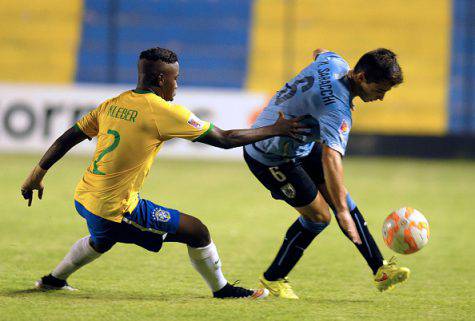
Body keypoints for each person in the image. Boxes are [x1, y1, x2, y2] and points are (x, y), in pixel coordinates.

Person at [20, 47, 309, 299]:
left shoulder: (114, 103)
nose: (177, 85)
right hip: (115, 208)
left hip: (84, 197)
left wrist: (37, 173)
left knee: (101, 239)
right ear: (161, 79)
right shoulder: (163, 112)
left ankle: (52, 281)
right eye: (176, 78)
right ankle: (222, 289)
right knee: (197, 231)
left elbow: (67, 138)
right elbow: (225, 139)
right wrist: (275, 129)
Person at [243, 48, 410, 299]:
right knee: (320, 217)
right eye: (380, 91)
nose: (382, 98)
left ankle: (380, 270)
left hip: (300, 146)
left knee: (341, 196)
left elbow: (318, 51)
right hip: (270, 156)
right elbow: (331, 157)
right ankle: (273, 277)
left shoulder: (335, 61)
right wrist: (341, 212)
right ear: (362, 77)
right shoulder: (337, 110)